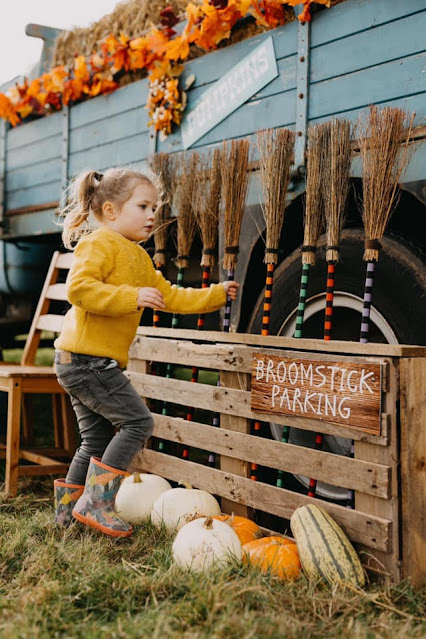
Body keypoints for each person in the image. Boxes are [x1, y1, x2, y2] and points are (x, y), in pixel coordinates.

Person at [53, 167, 239, 538]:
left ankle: (67, 515)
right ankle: (97, 503)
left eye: (155, 207)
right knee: (139, 423)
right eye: (143, 206)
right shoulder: (99, 243)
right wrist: (130, 297)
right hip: (86, 362)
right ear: (110, 210)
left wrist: (216, 294)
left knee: (94, 440)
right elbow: (79, 290)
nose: (153, 215)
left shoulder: (138, 258)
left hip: (82, 363)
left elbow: (171, 296)